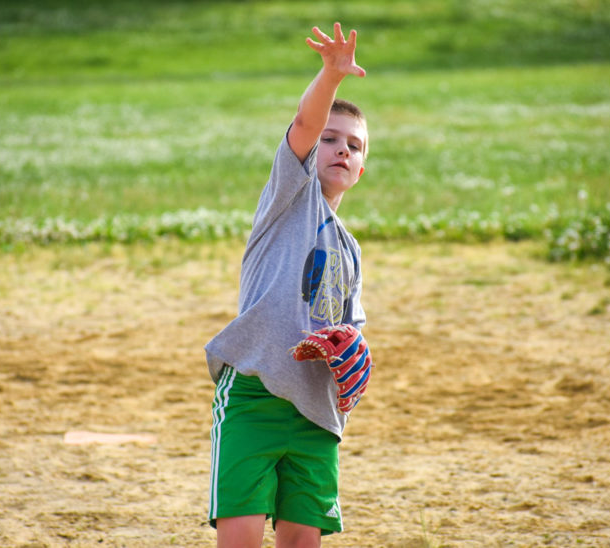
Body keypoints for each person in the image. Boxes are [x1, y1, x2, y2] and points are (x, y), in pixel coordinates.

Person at [205, 22, 370, 547]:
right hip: (254, 392)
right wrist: (330, 77)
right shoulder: (289, 198)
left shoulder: (350, 249)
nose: (342, 149)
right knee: (242, 535)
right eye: (330, 140)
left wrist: (354, 352)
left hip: (317, 411)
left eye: (354, 146)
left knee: (303, 538)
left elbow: (351, 327)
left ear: (362, 169)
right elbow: (305, 120)